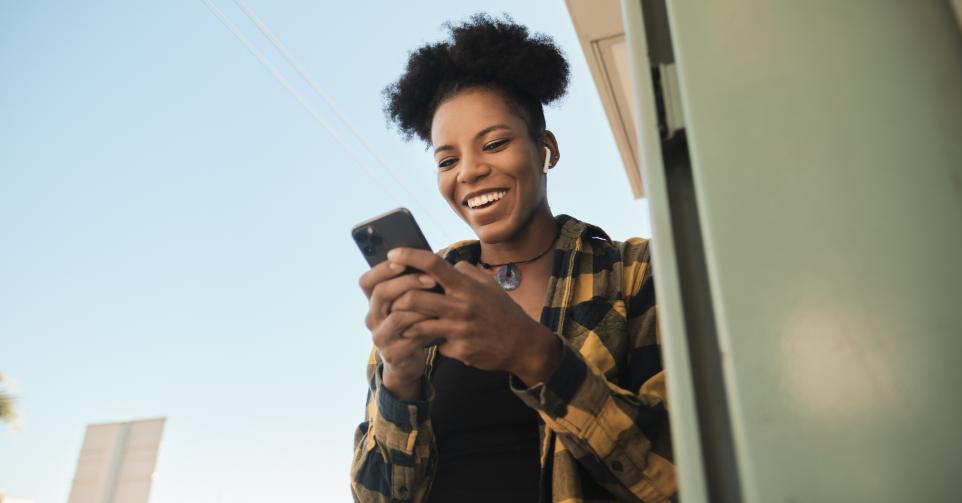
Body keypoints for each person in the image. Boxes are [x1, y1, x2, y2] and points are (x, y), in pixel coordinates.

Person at [350, 14, 676, 503]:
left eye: (495, 143)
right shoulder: (417, 302)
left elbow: (679, 469)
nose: (471, 172)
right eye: (447, 160)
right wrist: (400, 379)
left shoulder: (636, 273)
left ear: (545, 149)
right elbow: (377, 497)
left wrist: (534, 355)